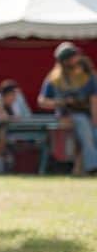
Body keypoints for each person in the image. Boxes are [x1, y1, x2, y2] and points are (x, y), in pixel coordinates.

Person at [38, 42, 97, 174]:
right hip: (66, 115)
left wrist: (95, 120)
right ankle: (93, 167)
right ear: (65, 61)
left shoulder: (87, 74)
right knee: (83, 125)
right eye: (74, 56)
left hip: (88, 115)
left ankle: (83, 168)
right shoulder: (54, 78)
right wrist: (62, 102)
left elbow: (94, 99)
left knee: (93, 132)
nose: (77, 58)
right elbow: (42, 101)